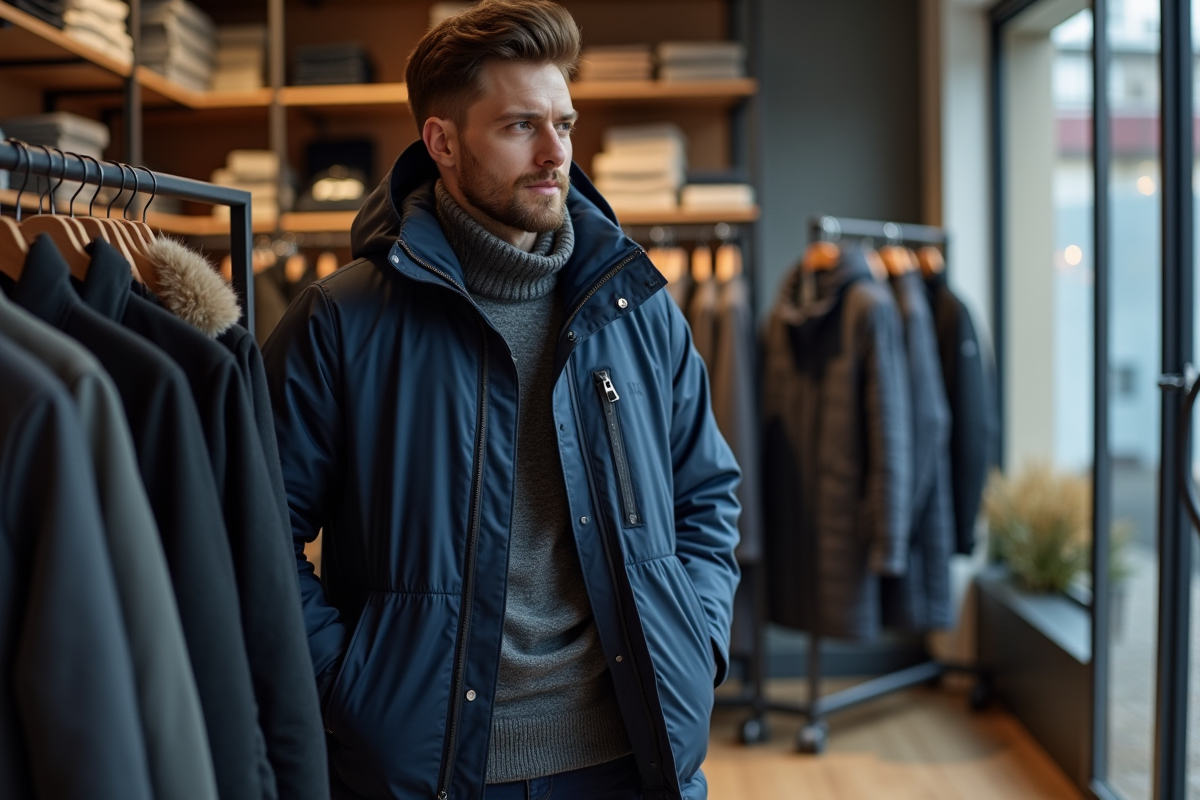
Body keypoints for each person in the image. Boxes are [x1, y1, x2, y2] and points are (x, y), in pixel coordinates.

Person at [262, 2, 741, 798]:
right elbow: (256, 527)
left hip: (637, 751)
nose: (556, 154)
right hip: (436, 767)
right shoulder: (342, 321)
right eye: (522, 126)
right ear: (442, 143)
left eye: (565, 122)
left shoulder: (637, 305)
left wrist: (696, 640)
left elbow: (707, 492)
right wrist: (352, 690)